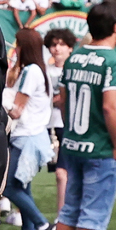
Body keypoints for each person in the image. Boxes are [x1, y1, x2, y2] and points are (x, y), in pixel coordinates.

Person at [37, 0, 116, 230]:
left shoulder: (75, 58)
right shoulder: (115, 62)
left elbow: (63, 101)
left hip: (73, 144)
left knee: (70, 207)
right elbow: (110, 108)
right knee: (92, 211)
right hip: (99, 149)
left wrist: (71, 135)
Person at [0, 28, 55, 230]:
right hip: (30, 136)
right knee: (22, 186)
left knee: (8, 187)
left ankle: (42, 225)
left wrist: (0, 100)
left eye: (18, 45)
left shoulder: (32, 72)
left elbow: (16, 111)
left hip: (27, 137)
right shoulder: (36, 70)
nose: (15, 49)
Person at [43, 26, 77, 214]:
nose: (57, 48)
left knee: (62, 173)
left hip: (66, 126)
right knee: (25, 172)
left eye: (62, 44)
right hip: (44, 126)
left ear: (70, 47)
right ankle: (20, 211)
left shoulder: (75, 72)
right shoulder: (44, 71)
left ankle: (62, 215)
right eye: (54, 44)